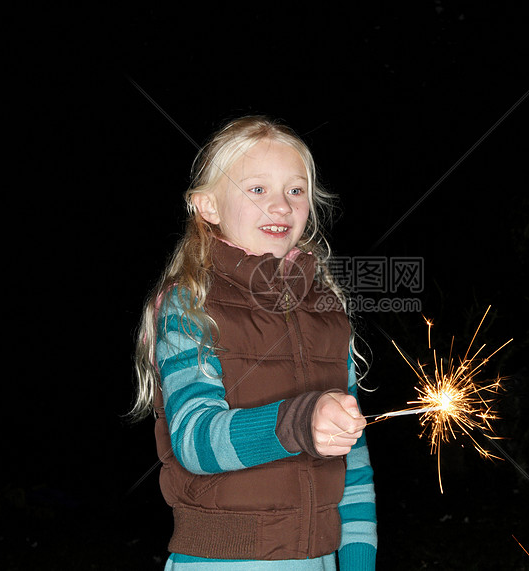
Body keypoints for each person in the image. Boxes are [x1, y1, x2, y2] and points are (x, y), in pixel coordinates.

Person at [130, 116, 377, 570]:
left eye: (296, 190)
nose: (281, 206)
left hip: (320, 558)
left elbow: (354, 458)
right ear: (208, 206)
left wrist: (359, 559)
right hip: (223, 559)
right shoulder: (189, 305)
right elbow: (194, 439)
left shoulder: (328, 311)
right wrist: (300, 421)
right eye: (257, 190)